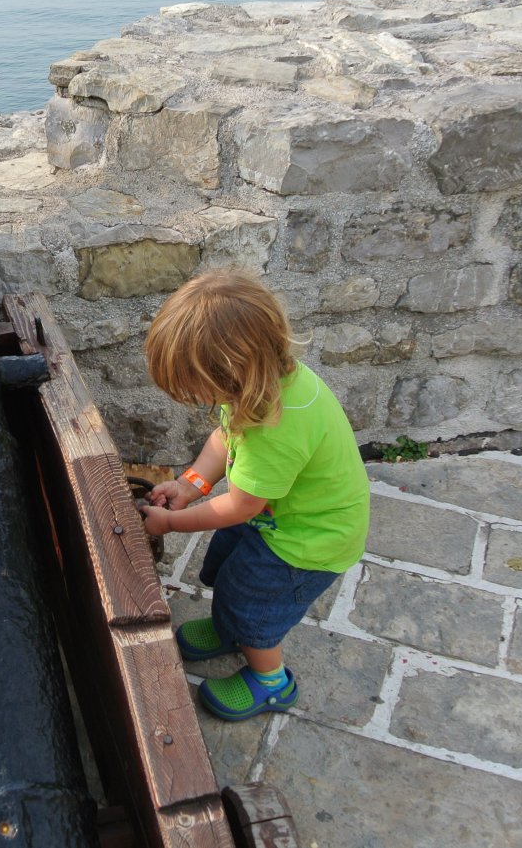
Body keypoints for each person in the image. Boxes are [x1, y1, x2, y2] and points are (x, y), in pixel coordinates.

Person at [139, 269, 369, 721]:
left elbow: (241, 505)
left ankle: (271, 682)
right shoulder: (258, 385)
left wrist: (168, 523)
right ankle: (229, 628)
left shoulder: (277, 429)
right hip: (274, 522)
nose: (193, 396)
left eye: (195, 386)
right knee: (231, 572)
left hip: (306, 543)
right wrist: (192, 484)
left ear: (233, 370)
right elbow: (226, 438)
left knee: (257, 607)